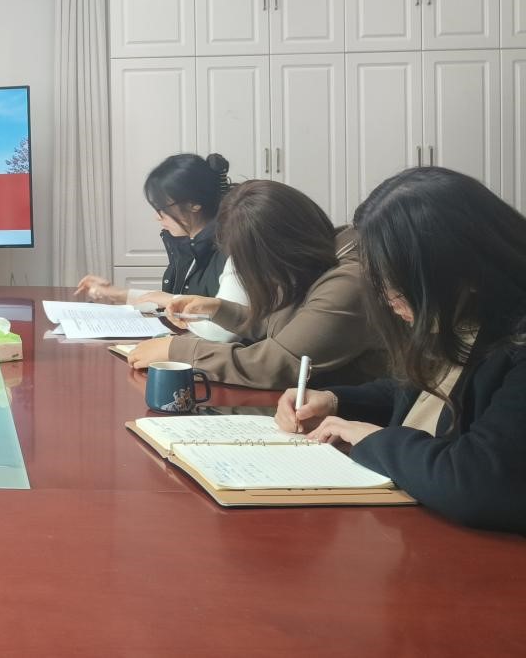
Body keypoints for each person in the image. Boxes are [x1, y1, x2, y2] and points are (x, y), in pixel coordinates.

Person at [276, 168, 526, 534]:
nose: (387, 299)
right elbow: (425, 393)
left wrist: (373, 440)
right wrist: (334, 402)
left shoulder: (514, 342)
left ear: (463, 269)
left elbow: (478, 484)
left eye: (397, 284)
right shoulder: (468, 313)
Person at [129, 179, 387, 389]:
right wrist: (218, 309)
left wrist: (179, 351)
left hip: (354, 416)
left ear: (274, 252)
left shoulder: (349, 281)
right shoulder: (319, 256)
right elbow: (284, 326)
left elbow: (278, 363)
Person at [76, 153, 244, 343]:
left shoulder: (234, 250)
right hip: (190, 347)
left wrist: (171, 303)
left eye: (162, 208)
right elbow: (166, 300)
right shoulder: (188, 245)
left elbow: (224, 331)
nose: (157, 216)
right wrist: (115, 293)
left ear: (194, 205)